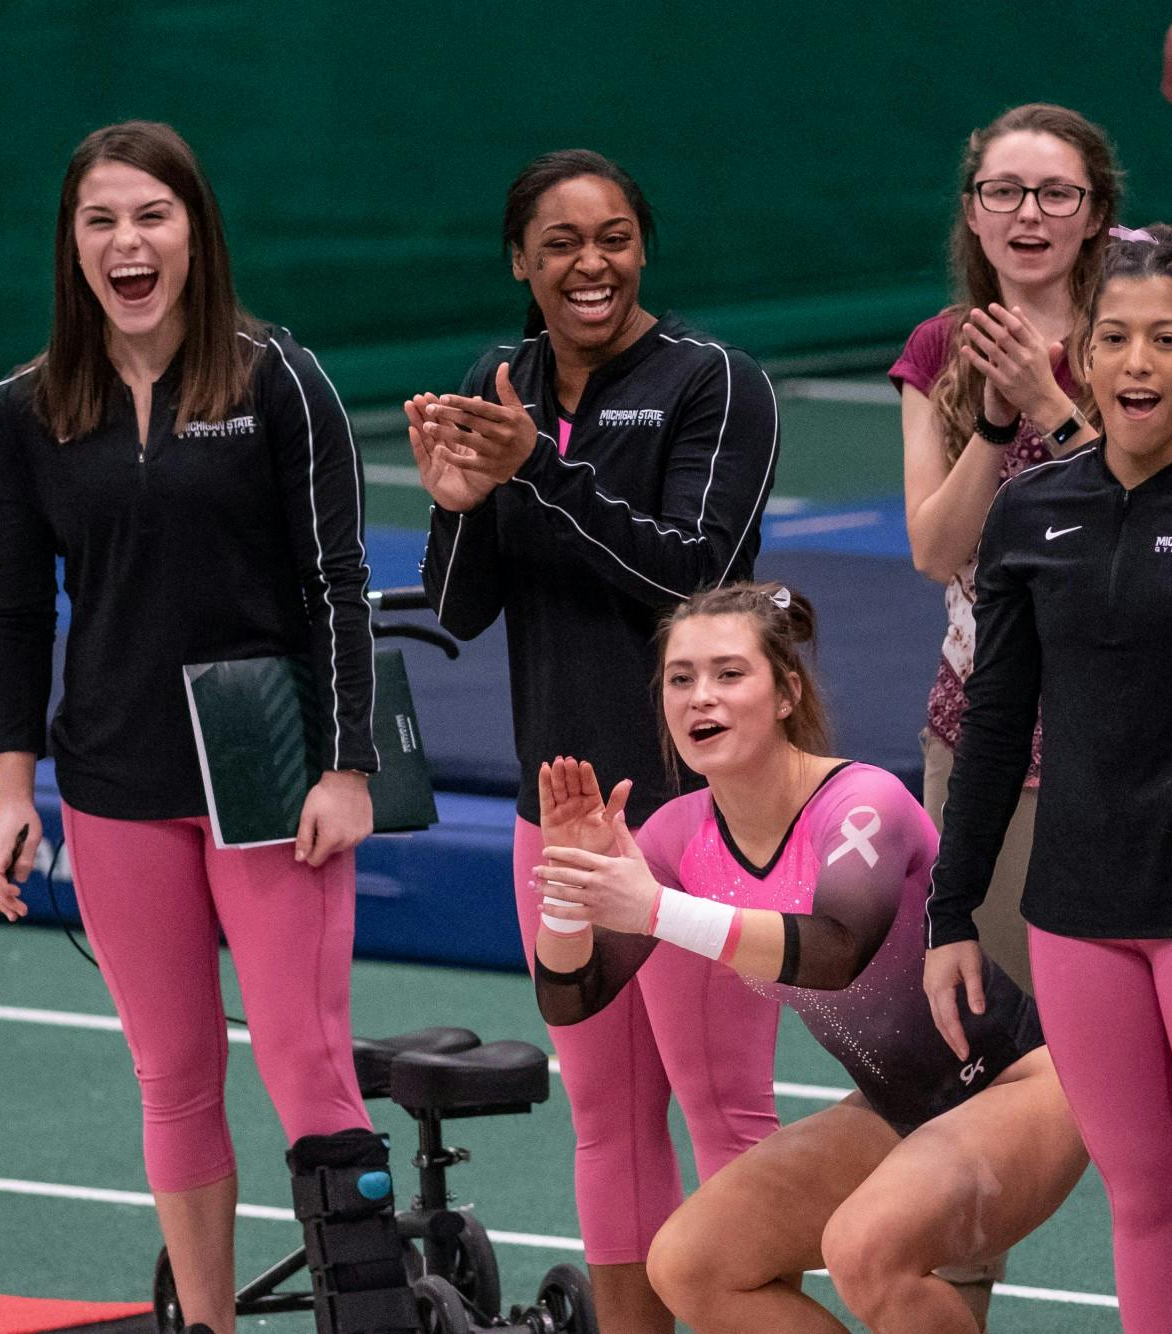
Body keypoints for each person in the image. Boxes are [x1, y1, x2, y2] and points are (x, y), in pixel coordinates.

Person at [0, 121, 403, 1334]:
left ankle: (362, 1317)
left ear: (193, 231)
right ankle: (207, 1325)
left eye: (150, 215)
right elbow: (14, 608)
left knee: (304, 1061)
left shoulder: (280, 378)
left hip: (269, 770)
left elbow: (336, 581)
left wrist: (347, 763)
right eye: (101, 220)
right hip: (111, 779)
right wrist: (16, 794)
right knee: (171, 1073)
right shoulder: (27, 409)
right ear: (72, 246)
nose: (128, 242)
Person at [407, 148, 781, 1333]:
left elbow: (696, 579)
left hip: (700, 819)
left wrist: (541, 473)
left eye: (613, 236)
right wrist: (459, 506)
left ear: (642, 248)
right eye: (560, 242)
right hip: (557, 819)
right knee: (608, 1118)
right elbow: (459, 609)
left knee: (723, 1113)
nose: (590, 263)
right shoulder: (499, 380)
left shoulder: (711, 382)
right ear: (519, 260)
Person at [927, 223, 1172, 1332]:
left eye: (1164, 339)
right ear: (1076, 362)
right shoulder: (1027, 510)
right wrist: (950, 910)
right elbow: (993, 724)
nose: (1137, 362)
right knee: (1141, 1205)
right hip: (1076, 914)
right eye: (1114, 340)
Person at [530, 584, 1085, 1334]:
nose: (702, 698)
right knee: (691, 1264)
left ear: (787, 692)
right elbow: (572, 997)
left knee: (865, 1249)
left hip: (1020, 1086)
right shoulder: (677, 834)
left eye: (730, 674)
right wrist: (570, 887)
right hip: (896, 1108)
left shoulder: (862, 803)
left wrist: (656, 908)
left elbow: (833, 951)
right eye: (681, 678)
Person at [895, 102, 1122, 994]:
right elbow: (933, 548)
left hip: (1118, 733)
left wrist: (1053, 406)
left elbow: (1152, 532)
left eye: (1057, 194)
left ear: (1097, 213)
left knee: (1114, 1039)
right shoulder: (940, 348)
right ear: (973, 211)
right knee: (1001, 1032)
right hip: (980, 733)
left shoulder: (1138, 346)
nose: (1029, 214)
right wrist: (994, 423)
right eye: (1005, 192)